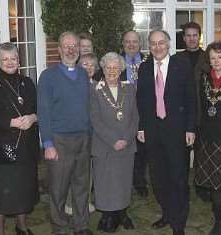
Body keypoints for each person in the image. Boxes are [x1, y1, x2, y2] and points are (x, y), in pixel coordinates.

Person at [137, 30, 196, 235]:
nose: (157, 47)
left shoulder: (182, 65)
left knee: (178, 179)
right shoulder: (144, 68)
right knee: (159, 179)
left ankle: (178, 223)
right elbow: (141, 100)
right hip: (153, 132)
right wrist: (141, 127)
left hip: (177, 132)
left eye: (161, 42)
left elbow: (191, 98)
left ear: (169, 44)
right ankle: (167, 213)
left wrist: (190, 128)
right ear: (149, 46)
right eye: (153, 43)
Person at [0, 42, 39, 235]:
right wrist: (11, 122)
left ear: (18, 60)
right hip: (2, 145)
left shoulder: (27, 83)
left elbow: (39, 109)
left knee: (23, 189)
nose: (9, 62)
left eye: (13, 58)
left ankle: (22, 227)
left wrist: (33, 117)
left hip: (26, 146)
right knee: (1, 193)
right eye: (5, 59)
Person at [37, 31, 93, 235]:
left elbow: (88, 107)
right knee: (58, 189)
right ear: (59, 50)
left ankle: (81, 225)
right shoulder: (48, 76)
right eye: (66, 46)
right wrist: (48, 143)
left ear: (78, 50)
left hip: (83, 139)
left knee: (81, 186)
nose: (71, 49)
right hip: (59, 140)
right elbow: (43, 111)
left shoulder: (83, 76)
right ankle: (59, 227)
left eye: (74, 46)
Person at [90, 52, 139, 233]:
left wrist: (126, 138)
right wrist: (113, 140)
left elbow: (135, 116)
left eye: (115, 68)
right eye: (108, 68)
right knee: (105, 181)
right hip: (104, 145)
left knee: (124, 181)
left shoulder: (129, 89)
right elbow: (95, 119)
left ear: (121, 70)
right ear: (102, 69)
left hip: (126, 144)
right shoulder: (94, 89)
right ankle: (108, 215)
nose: (111, 71)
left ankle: (122, 214)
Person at [194, 42, 221, 235]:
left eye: (220, 57)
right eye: (212, 58)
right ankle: (219, 221)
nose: (216, 61)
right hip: (207, 138)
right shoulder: (204, 79)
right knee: (214, 184)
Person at [176, 21, 210, 202]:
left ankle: (201, 185)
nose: (191, 39)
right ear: (183, 38)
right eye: (188, 35)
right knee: (181, 153)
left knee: (201, 154)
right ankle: (182, 187)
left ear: (199, 37)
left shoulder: (208, 58)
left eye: (194, 35)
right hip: (182, 115)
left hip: (204, 114)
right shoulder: (176, 59)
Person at [120, 30, 149, 197]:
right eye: (127, 41)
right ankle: (124, 181)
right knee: (124, 146)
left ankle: (139, 181)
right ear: (123, 44)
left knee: (142, 148)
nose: (131, 45)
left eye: (135, 42)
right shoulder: (116, 62)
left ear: (140, 44)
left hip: (144, 110)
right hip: (122, 111)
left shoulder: (148, 61)